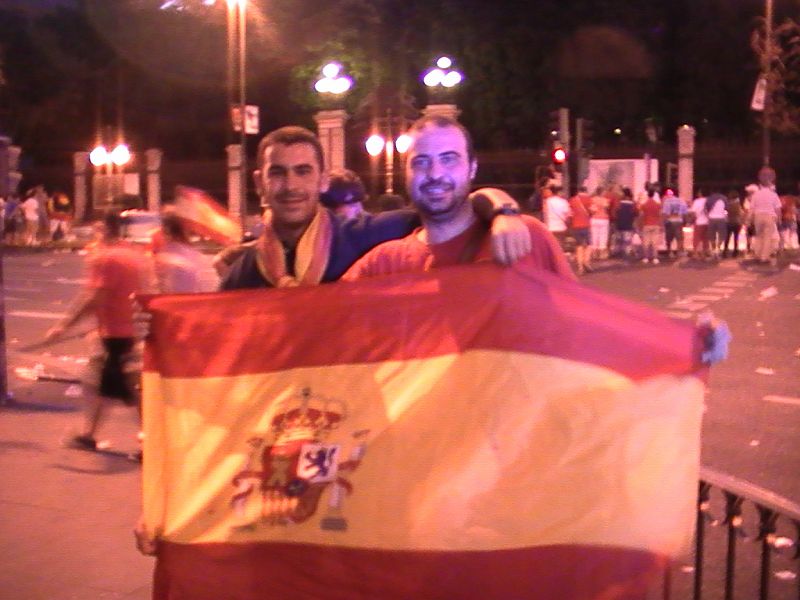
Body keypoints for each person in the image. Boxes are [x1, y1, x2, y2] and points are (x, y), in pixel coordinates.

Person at [221, 126, 530, 291]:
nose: (291, 186)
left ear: (323, 181)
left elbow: (447, 208)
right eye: (278, 173)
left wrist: (502, 209)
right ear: (260, 182)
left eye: (303, 171)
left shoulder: (370, 237)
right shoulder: (244, 272)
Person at [342, 115, 574, 281]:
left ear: (472, 168)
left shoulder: (528, 238)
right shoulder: (382, 266)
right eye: (421, 162)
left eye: (449, 159)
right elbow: (324, 318)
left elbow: (579, 326)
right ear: (407, 173)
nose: (435, 174)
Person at [45, 210, 153, 450]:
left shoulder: (106, 259)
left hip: (114, 334)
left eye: (97, 231)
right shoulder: (133, 255)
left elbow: (94, 297)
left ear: (104, 230)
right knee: (113, 385)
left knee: (114, 387)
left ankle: (146, 441)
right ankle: (90, 434)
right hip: (128, 329)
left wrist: (63, 326)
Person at [153, 209, 218, 293]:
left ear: (165, 230)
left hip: (173, 302)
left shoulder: (163, 258)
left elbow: (160, 288)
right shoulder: (197, 256)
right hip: (192, 301)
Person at [750, 167, 782, 264]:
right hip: (769, 216)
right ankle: (764, 257)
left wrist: (751, 219)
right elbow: (778, 209)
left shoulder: (756, 194)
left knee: (759, 236)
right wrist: (779, 219)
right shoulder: (773, 195)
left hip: (758, 216)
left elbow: (752, 208)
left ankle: (757, 254)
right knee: (768, 237)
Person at [568, 186, 593, 274]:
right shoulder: (589, 199)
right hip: (586, 225)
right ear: (585, 191)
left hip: (576, 225)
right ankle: (586, 261)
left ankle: (580, 267)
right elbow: (593, 210)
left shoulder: (572, 200)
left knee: (579, 246)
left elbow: (570, 214)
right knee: (589, 245)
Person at [638, 188, 662, 264]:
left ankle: (646, 257)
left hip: (646, 224)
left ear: (648, 195)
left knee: (646, 242)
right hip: (655, 224)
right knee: (655, 242)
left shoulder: (644, 205)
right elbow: (659, 214)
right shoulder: (657, 205)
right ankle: (655, 258)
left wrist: (640, 224)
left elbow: (641, 215)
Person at [661, 188, 687, 258]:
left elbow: (665, 213)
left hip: (670, 221)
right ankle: (679, 252)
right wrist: (685, 221)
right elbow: (685, 213)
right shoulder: (682, 201)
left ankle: (670, 252)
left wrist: (663, 222)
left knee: (669, 238)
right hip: (679, 221)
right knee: (679, 238)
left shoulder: (667, 201)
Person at [705, 189, 728, 259]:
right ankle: (718, 249)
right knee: (722, 235)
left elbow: (706, 209)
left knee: (712, 236)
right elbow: (727, 208)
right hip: (721, 218)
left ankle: (713, 250)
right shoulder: (724, 198)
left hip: (712, 218)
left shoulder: (710, 198)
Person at [589, 187, 610, 259]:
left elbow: (591, 210)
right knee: (603, 236)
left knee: (594, 235)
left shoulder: (592, 200)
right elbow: (607, 208)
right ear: (602, 192)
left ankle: (594, 252)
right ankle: (602, 253)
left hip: (594, 218)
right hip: (603, 219)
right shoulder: (605, 200)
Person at [722, 189, 743, 258]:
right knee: (736, 238)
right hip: (737, 222)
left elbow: (726, 213)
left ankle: (725, 251)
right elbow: (740, 214)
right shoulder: (738, 205)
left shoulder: (728, 204)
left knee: (727, 238)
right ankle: (735, 252)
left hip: (729, 222)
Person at [690, 189, 710, 259]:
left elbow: (693, 213)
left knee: (696, 238)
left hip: (699, 222)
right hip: (708, 222)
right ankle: (705, 253)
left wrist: (692, 220)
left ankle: (695, 253)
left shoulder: (697, 201)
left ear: (701, 193)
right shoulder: (709, 201)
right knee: (706, 239)